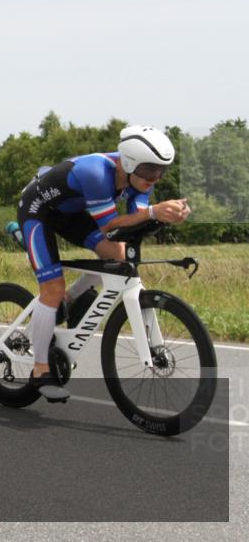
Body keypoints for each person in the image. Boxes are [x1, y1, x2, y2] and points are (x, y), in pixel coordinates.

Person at [17, 126, 191, 402]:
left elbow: (136, 221)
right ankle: (40, 370)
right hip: (38, 212)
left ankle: (70, 298)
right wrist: (154, 212)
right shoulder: (96, 173)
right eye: (149, 170)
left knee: (118, 256)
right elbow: (110, 225)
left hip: (72, 213)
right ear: (131, 163)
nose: (154, 178)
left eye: (161, 171)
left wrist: (164, 216)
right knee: (51, 288)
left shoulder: (141, 178)